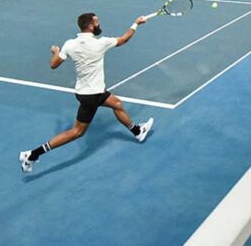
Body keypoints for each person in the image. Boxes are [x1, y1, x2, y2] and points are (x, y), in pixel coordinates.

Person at [19, 13, 153, 173]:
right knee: (77, 132)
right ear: (90, 26)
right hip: (93, 95)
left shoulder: (69, 44)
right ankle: (32, 155)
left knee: (116, 104)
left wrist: (56, 51)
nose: (99, 23)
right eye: (97, 22)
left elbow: (53, 64)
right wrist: (136, 23)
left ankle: (137, 131)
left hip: (85, 92)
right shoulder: (101, 43)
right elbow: (124, 39)